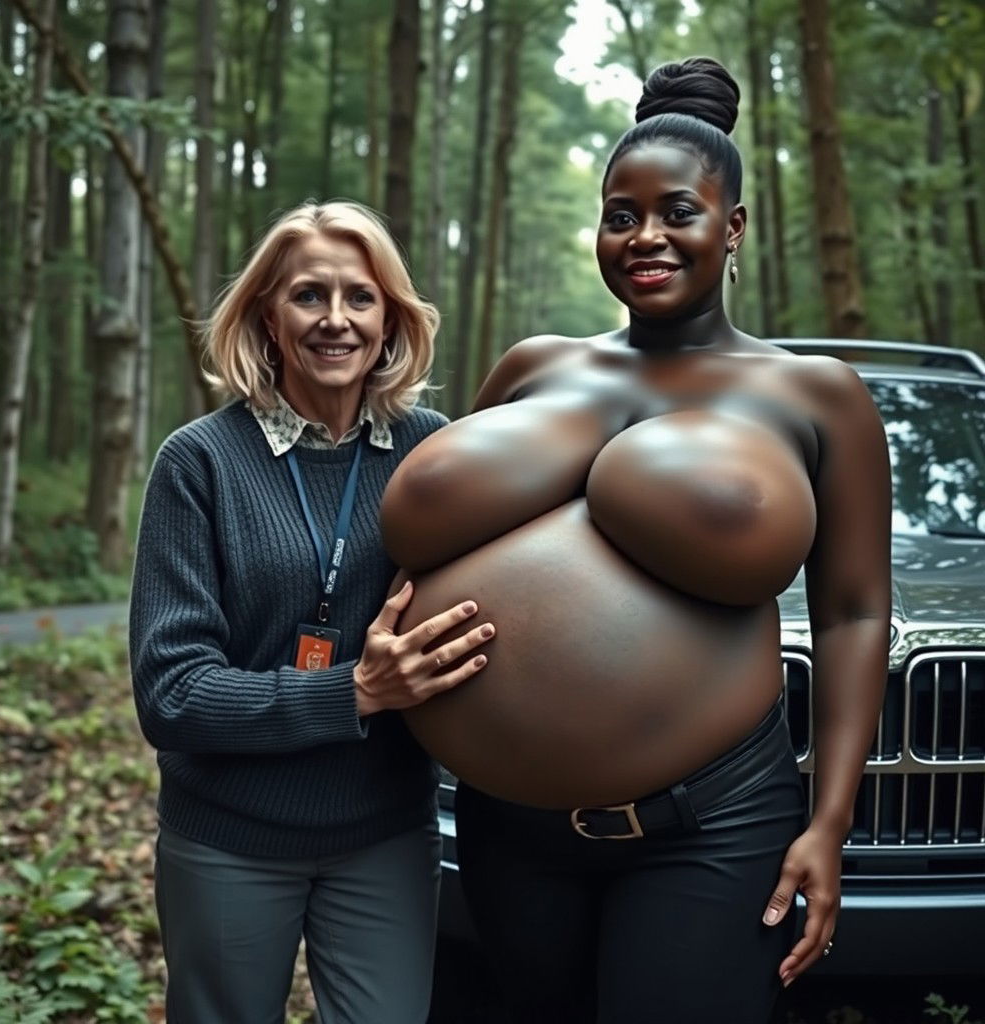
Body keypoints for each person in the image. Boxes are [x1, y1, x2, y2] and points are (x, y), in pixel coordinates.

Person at [378, 58, 891, 1023]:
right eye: (621, 214)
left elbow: (856, 612)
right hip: (504, 825)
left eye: (677, 212)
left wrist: (832, 819)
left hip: (712, 827)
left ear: (732, 227)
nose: (645, 237)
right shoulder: (534, 367)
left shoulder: (817, 395)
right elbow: (431, 553)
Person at [128, 200, 496, 1024]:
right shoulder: (199, 463)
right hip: (228, 839)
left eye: (360, 298)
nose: (337, 321)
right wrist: (354, 693)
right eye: (308, 296)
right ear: (267, 313)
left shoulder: (435, 451)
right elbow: (171, 694)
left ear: (391, 315)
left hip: (386, 835)